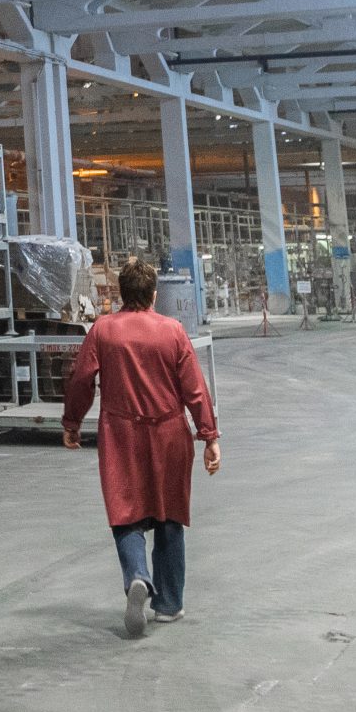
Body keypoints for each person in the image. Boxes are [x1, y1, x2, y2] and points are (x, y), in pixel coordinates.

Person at [63, 255, 221, 638]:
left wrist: (71, 423)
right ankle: (168, 605)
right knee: (168, 516)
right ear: (153, 295)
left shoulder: (102, 330)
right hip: (168, 434)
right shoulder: (173, 331)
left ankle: (137, 576)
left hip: (121, 435)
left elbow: (82, 380)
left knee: (126, 512)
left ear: (121, 294)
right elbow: (194, 389)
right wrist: (209, 436)